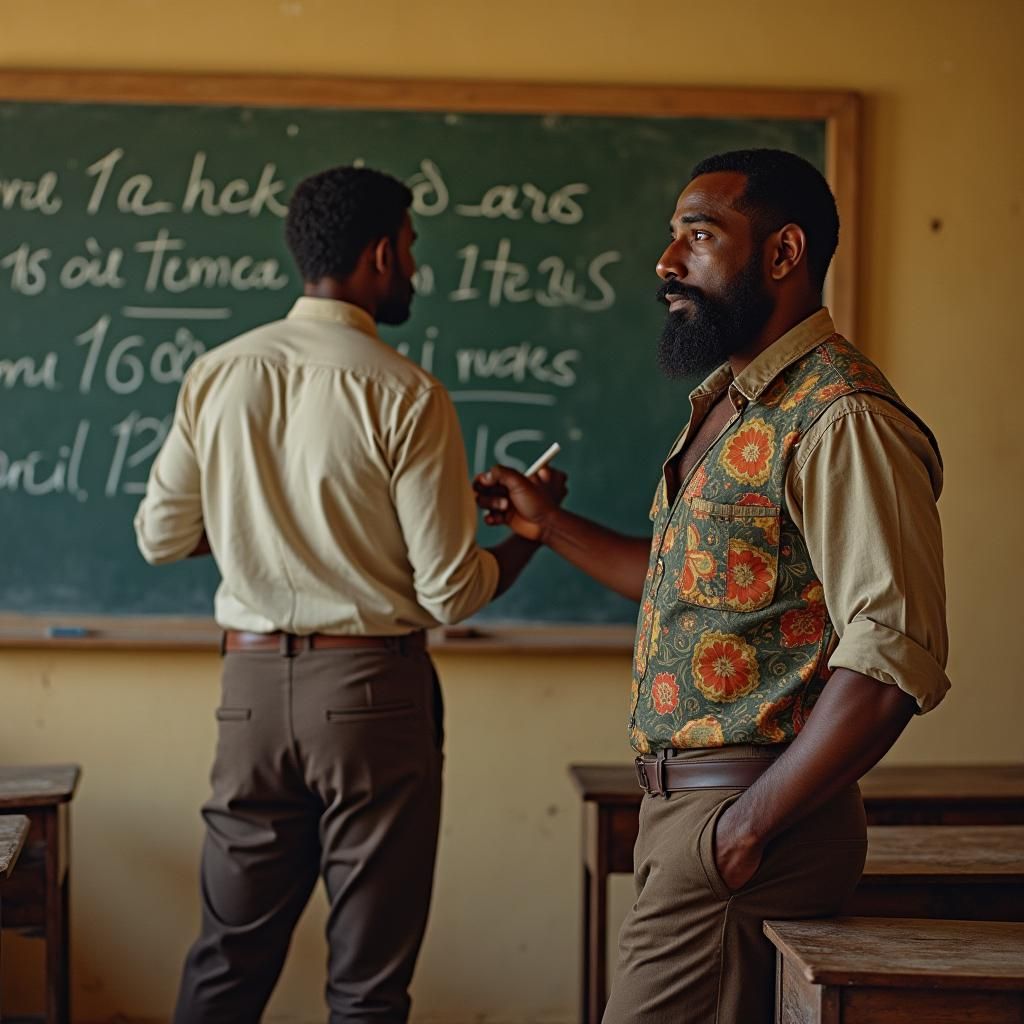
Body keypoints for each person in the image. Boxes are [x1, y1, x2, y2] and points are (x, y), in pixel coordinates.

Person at [474, 148, 950, 1023]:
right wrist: (549, 527)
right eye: (673, 237)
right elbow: (677, 590)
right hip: (697, 818)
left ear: (782, 253)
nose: (667, 263)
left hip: (745, 823)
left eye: (699, 234)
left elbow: (892, 656)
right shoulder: (735, 404)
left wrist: (746, 831)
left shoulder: (839, 415)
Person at [134, 165, 560, 1024]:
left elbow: (161, 537)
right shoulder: (403, 390)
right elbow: (448, 592)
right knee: (366, 983)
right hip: (371, 696)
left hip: (248, 695)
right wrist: (528, 535)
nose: (413, 269)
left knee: (227, 956)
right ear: (376, 256)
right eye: (408, 251)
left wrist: (267, 525)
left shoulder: (216, 374)